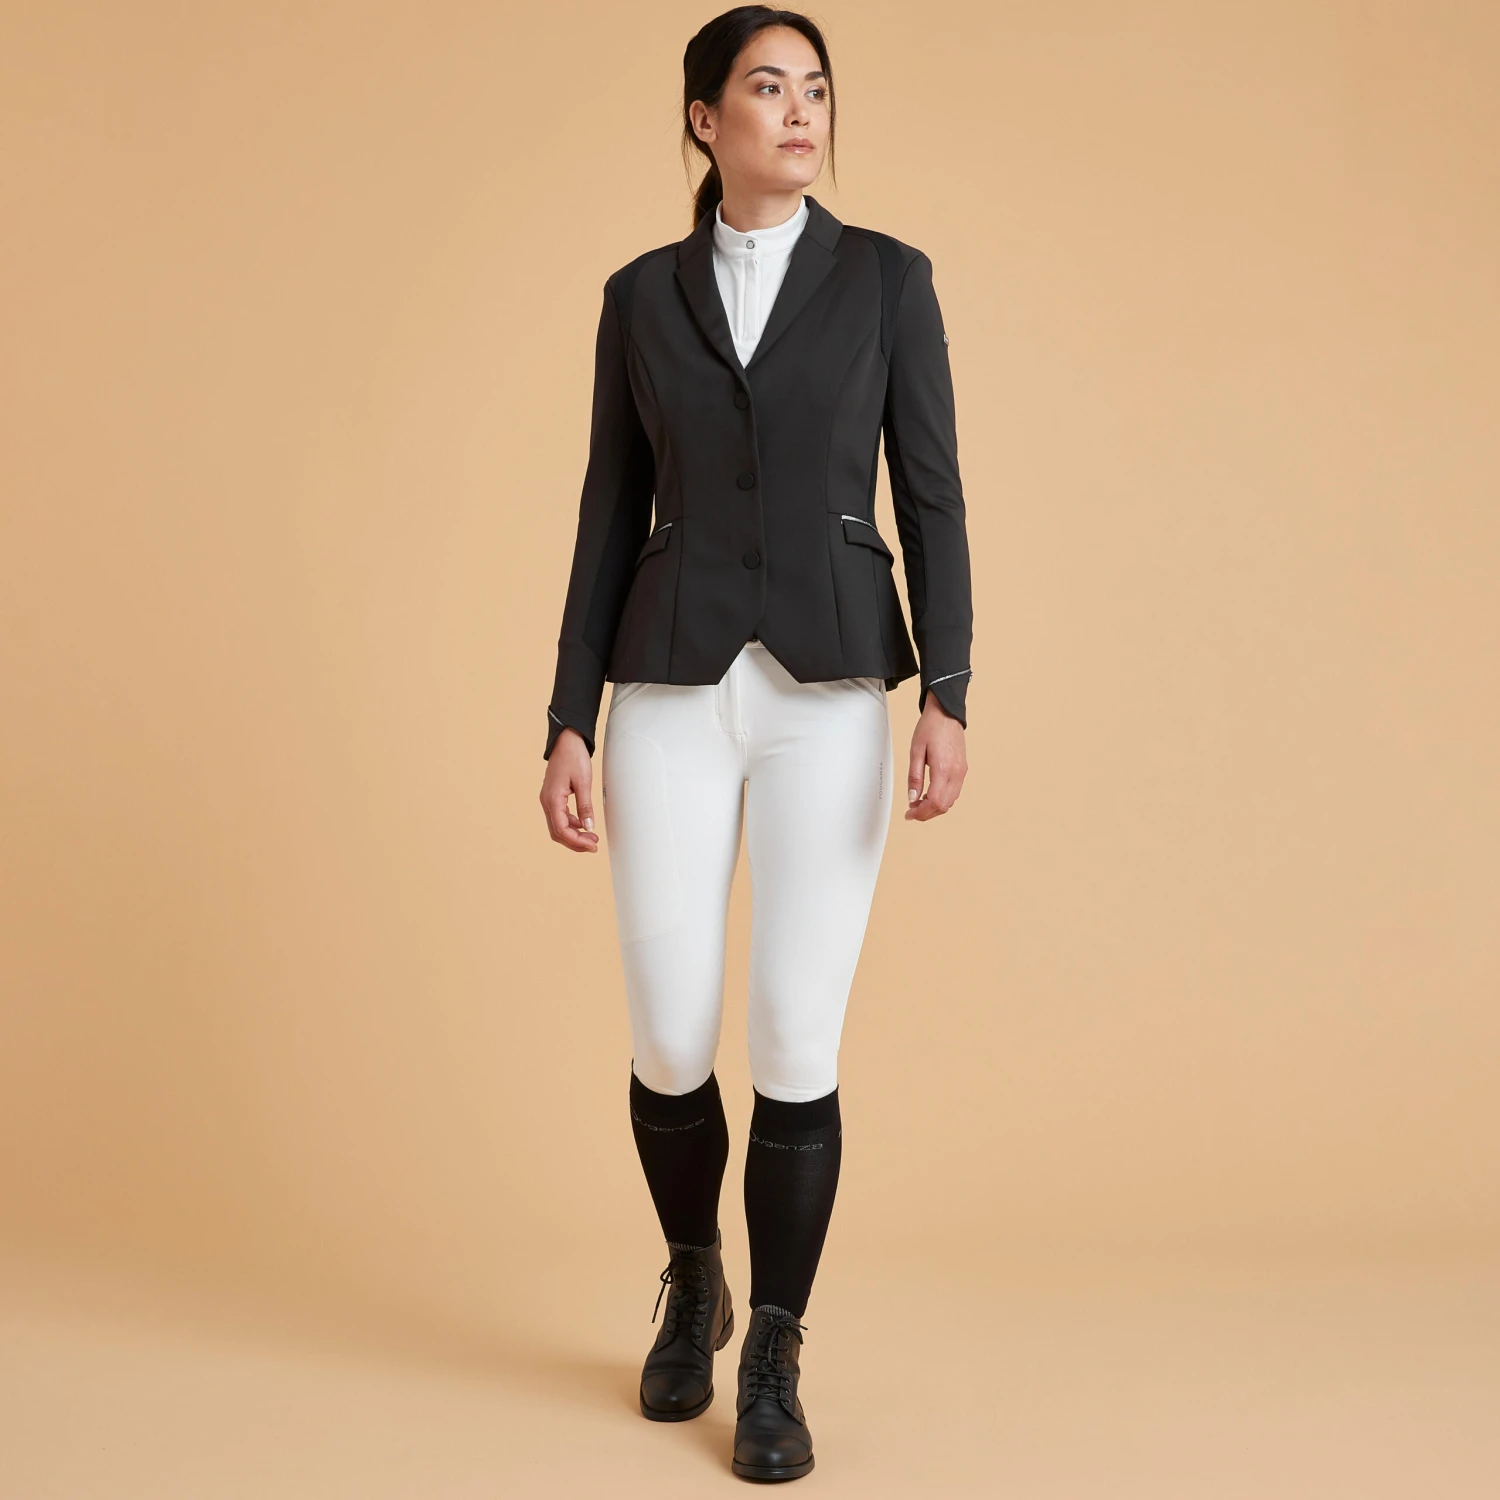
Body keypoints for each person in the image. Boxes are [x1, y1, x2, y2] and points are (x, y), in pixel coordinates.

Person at [538, 6, 972, 1482]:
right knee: (670, 1033)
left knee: (793, 1030)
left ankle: (775, 1345)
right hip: (667, 687)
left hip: (830, 692)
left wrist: (950, 690)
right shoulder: (638, 296)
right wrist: (567, 715)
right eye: (768, 88)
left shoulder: (887, 280)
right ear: (703, 120)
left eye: (817, 90)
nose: (800, 113)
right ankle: (694, 1278)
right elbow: (608, 509)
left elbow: (933, 493)